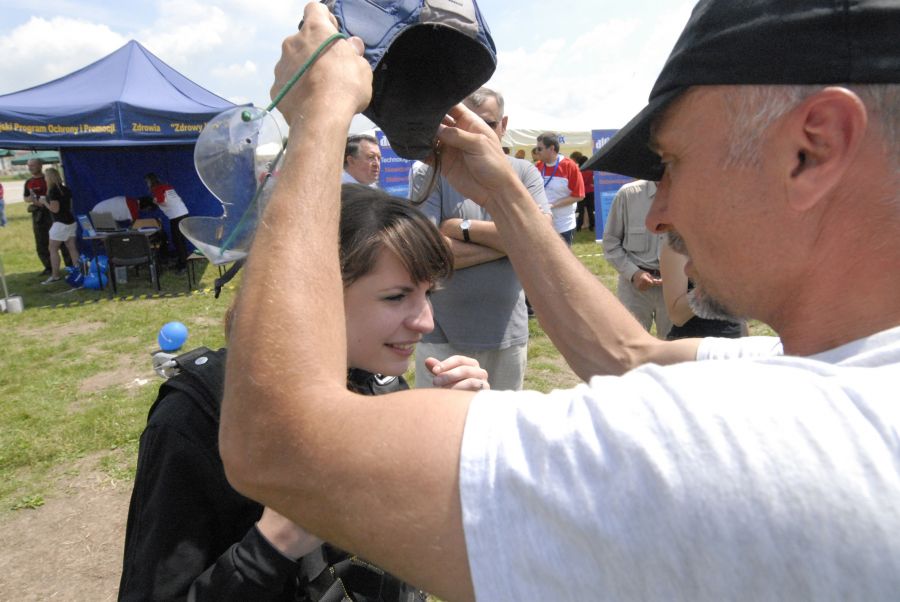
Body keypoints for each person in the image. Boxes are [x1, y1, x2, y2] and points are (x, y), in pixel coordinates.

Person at [219, 2, 900, 600]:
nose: (658, 212)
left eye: (673, 164)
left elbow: (281, 444)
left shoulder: (775, 452)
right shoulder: (859, 376)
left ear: (813, 149)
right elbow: (631, 355)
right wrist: (507, 194)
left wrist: (315, 121)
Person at [119, 184, 490, 601]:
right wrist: (274, 543)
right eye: (397, 296)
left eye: (428, 294)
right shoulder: (199, 418)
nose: (425, 321)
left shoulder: (375, 382)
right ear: (311, 295)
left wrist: (447, 444)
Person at [409, 86, 550, 390]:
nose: (479, 132)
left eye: (488, 123)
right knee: (441, 431)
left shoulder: (524, 173)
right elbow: (428, 255)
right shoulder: (431, 172)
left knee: (501, 430)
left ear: (504, 125)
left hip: (506, 335)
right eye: (469, 123)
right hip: (443, 337)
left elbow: (542, 239)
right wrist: (513, 244)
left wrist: (462, 228)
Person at [602, 179, 671, 338]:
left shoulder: (688, 194)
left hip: (675, 288)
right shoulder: (628, 194)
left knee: (674, 347)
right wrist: (633, 273)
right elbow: (611, 242)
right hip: (633, 288)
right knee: (630, 345)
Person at [659, 231, 744, 340]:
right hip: (694, 346)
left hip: (733, 342)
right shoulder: (677, 246)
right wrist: (713, 285)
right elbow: (677, 315)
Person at [23, 158, 71, 274]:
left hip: (52, 213)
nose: (30, 168)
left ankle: (70, 265)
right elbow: (26, 198)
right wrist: (33, 199)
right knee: (41, 241)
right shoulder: (29, 182)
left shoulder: (48, 179)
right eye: (29, 166)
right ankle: (49, 267)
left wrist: (44, 200)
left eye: (33, 165)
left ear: (40, 165)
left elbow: (56, 194)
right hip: (38, 214)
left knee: (61, 240)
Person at [535, 132, 584, 245]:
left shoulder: (569, 166)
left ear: (552, 148)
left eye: (539, 148)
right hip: (542, 222)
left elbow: (579, 195)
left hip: (563, 224)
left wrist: (552, 205)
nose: (537, 152)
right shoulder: (538, 166)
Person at [35, 168, 80, 285]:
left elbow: (55, 209)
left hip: (60, 223)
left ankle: (55, 275)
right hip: (71, 221)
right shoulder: (66, 189)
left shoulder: (53, 191)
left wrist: (44, 202)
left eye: (46, 177)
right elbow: (69, 206)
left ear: (49, 177)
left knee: (53, 249)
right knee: (72, 248)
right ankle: (79, 272)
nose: (45, 179)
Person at [145, 173, 190, 271]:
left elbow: (161, 200)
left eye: (147, 182)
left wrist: (154, 201)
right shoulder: (167, 186)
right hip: (184, 212)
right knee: (181, 240)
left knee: (177, 241)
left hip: (176, 216)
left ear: (149, 182)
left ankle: (183, 265)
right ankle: (183, 260)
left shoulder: (156, 189)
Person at [571, 152, 595, 232]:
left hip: (582, 192)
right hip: (590, 192)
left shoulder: (580, 171)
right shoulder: (591, 170)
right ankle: (592, 226)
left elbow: (580, 182)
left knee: (581, 211)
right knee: (590, 210)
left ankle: (579, 227)